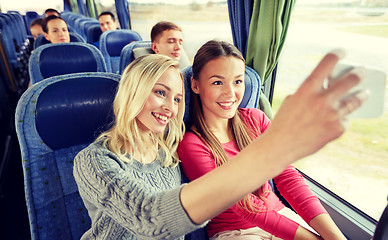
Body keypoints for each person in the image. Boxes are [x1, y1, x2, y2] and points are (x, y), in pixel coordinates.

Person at [73, 47, 368, 239]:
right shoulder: (93, 161)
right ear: (133, 92)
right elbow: (150, 218)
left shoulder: (167, 154)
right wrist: (277, 148)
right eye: (160, 93)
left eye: (177, 99)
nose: (171, 108)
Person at [178, 40, 350, 240]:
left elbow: (288, 178)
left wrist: (336, 237)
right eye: (217, 82)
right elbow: (246, 207)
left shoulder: (256, 119)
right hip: (236, 233)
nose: (230, 93)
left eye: (238, 81)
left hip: (281, 217)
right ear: (195, 85)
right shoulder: (192, 145)